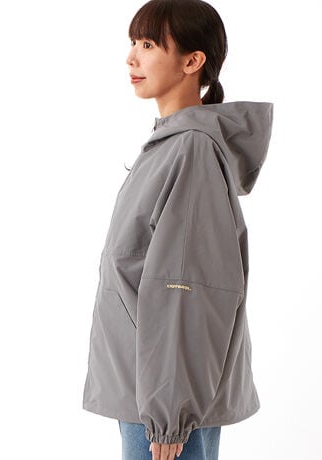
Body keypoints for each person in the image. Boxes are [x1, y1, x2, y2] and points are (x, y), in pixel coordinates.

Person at [82, 0, 274, 459]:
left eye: (149, 45)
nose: (132, 58)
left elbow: (186, 288)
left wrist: (170, 415)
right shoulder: (169, 146)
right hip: (148, 393)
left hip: (163, 407)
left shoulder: (190, 151)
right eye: (133, 42)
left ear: (192, 61)